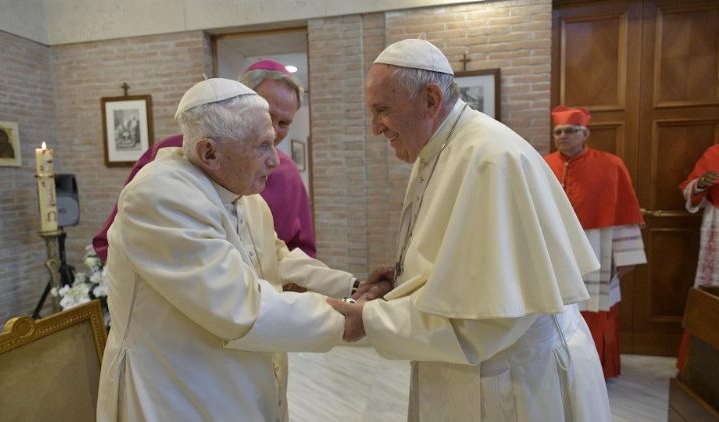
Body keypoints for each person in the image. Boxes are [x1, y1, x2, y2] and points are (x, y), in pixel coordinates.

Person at [329, 39, 611, 421]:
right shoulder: (439, 149)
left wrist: (370, 319)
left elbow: (490, 319)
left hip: (514, 382)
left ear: (430, 100)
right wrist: (398, 285)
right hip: (473, 372)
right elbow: (458, 271)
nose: (375, 128)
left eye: (382, 110)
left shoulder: (491, 160)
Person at [96, 78, 390, 421]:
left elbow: (276, 258)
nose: (275, 161)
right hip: (176, 389)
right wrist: (348, 318)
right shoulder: (159, 195)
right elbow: (239, 305)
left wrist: (350, 287)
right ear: (210, 153)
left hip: (232, 379)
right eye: (263, 146)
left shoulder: (240, 192)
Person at [92, 59, 316, 262]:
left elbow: (294, 252)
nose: (274, 130)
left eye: (284, 123)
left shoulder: (286, 172)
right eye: (266, 114)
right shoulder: (168, 155)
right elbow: (123, 240)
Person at [544, 105, 647, 379]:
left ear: (585, 133)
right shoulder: (544, 165)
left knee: (597, 312)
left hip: (598, 248)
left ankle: (597, 370)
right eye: (558, 132)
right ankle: (561, 369)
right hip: (556, 251)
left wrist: (626, 257)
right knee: (556, 311)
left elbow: (625, 211)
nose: (563, 136)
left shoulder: (611, 165)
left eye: (570, 131)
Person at [675, 145, 719, 367]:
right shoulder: (714, 153)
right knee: (711, 297)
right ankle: (703, 365)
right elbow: (689, 189)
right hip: (717, 231)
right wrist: (702, 183)